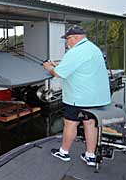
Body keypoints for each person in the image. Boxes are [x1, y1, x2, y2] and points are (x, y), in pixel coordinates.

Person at [43, 25, 111, 166]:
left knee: (70, 124)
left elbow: (58, 73)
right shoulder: (93, 48)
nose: (66, 43)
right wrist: (58, 65)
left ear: (75, 38)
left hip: (78, 98)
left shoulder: (76, 52)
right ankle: (90, 156)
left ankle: (63, 152)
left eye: (67, 39)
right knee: (91, 124)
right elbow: (79, 67)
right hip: (97, 98)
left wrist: (48, 67)